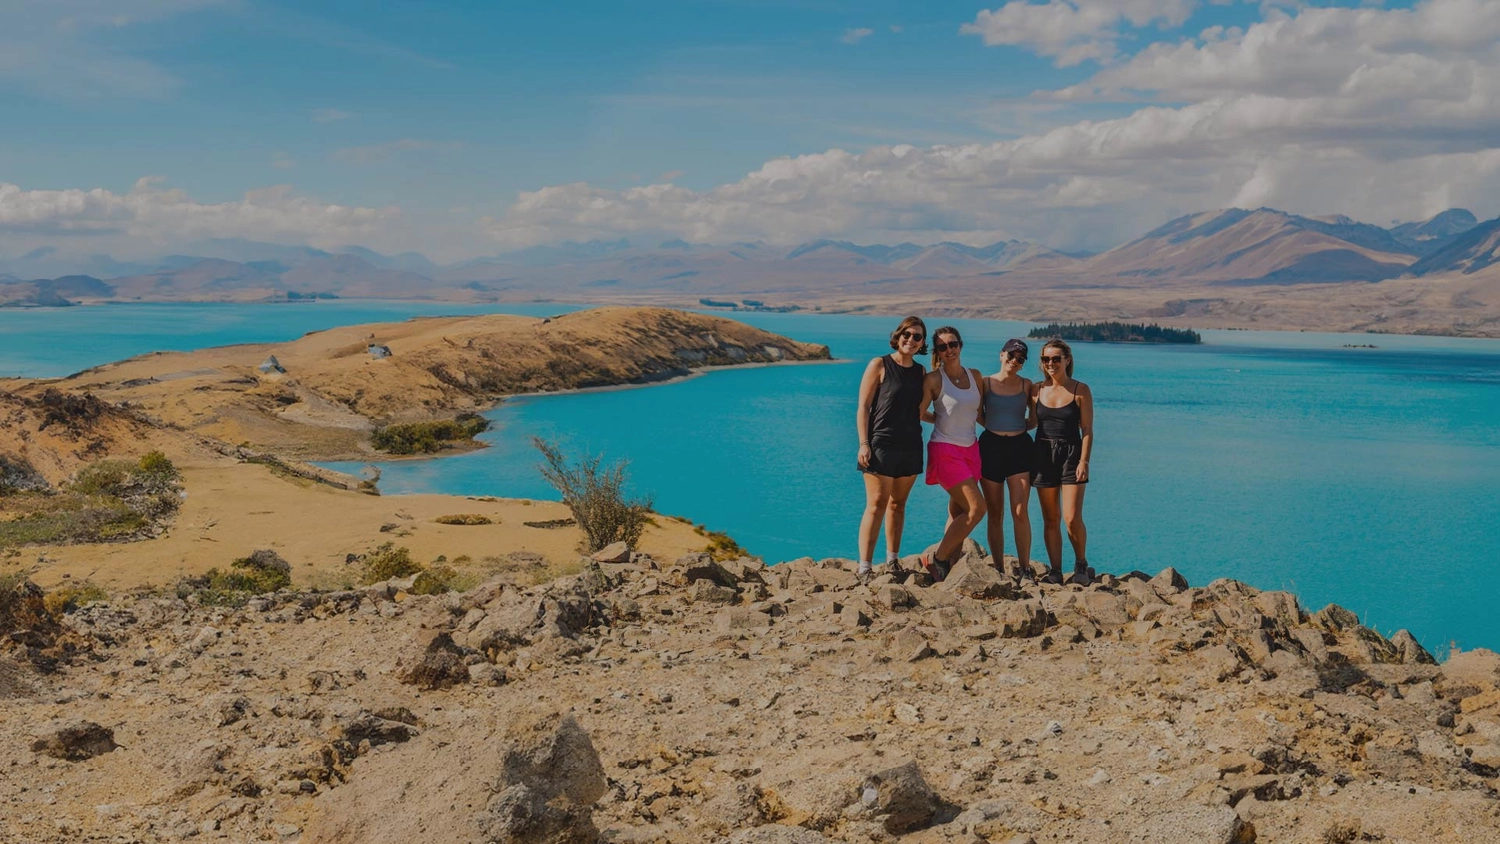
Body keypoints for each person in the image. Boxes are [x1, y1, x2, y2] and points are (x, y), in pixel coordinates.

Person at [855, 316, 928, 581]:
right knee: (876, 504)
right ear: (898, 336)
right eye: (907, 334)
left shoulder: (920, 372)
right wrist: (864, 444)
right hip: (880, 444)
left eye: (917, 337)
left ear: (922, 343)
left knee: (898, 505)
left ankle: (892, 560)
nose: (911, 340)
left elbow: (918, 411)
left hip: (910, 445)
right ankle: (864, 567)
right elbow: (863, 407)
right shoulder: (879, 364)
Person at [919, 326, 986, 581]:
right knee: (977, 508)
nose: (949, 350)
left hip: (972, 449)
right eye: (942, 347)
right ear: (936, 351)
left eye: (953, 344)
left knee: (958, 513)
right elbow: (918, 412)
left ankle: (950, 568)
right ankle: (938, 558)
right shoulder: (934, 380)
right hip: (945, 450)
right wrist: (936, 419)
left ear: (960, 345)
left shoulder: (976, 376)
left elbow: (978, 414)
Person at [1032, 339, 1093, 584]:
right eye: (1046, 359)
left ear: (1067, 360)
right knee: (1050, 518)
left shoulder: (1080, 390)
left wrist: (1084, 461)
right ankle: (1055, 571)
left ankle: (1080, 563)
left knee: (1070, 518)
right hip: (1042, 455)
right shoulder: (1036, 390)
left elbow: (1087, 429)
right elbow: (1028, 422)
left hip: (1071, 456)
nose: (1050, 364)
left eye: (1056, 359)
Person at [979, 338, 1035, 576]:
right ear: (1001, 355)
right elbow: (976, 413)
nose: (1014, 361)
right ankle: (999, 568)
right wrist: (993, 426)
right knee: (995, 512)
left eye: (1020, 359)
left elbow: (1034, 418)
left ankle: (1024, 568)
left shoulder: (1027, 385)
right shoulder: (985, 383)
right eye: (1011, 355)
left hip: (1019, 448)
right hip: (990, 447)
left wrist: (1017, 428)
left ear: (1023, 363)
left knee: (1020, 511)